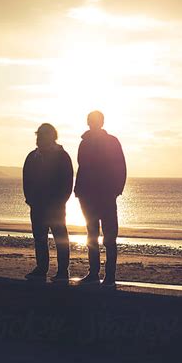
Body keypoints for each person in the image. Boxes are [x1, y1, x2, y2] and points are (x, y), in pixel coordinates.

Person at [74, 110, 126, 288]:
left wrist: (116, 190)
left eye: (95, 120)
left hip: (106, 195)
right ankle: (94, 272)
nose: (92, 123)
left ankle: (110, 275)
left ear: (101, 122)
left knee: (110, 236)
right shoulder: (84, 142)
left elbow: (120, 166)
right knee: (91, 234)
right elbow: (82, 167)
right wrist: (79, 190)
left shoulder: (112, 142)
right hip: (87, 195)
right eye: (90, 120)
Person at [23, 123, 73, 283]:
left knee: (60, 238)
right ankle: (41, 268)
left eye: (42, 135)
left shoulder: (62, 156)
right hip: (37, 205)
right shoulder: (32, 156)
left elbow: (67, 182)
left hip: (55, 207)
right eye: (38, 135)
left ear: (51, 136)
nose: (38, 139)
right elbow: (26, 180)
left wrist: (60, 202)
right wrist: (30, 199)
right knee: (39, 238)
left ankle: (63, 271)